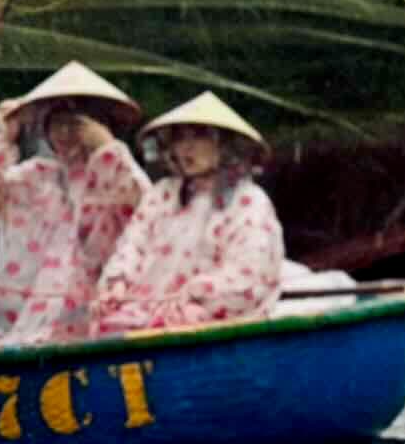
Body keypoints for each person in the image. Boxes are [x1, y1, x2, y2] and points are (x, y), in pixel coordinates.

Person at [0, 61, 150, 345]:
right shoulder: (37, 177)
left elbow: (143, 208)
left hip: (100, 316)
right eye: (56, 124)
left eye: (75, 124)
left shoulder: (115, 169)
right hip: (32, 320)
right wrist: (4, 138)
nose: (64, 134)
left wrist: (107, 148)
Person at [90, 92, 286, 334]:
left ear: (225, 145)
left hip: (213, 318)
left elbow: (251, 274)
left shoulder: (248, 200)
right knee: (108, 325)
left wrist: (195, 293)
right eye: (180, 139)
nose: (187, 148)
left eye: (200, 137)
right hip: (145, 308)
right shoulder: (162, 195)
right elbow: (132, 245)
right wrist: (118, 283)